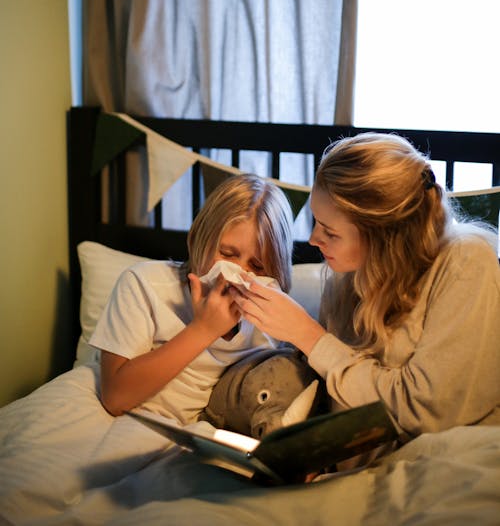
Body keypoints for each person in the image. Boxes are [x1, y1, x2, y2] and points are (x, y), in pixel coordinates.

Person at [231, 132, 500, 439]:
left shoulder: (466, 261)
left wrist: (308, 336)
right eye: (316, 221)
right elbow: (333, 397)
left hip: (452, 459)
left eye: (330, 233)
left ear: (385, 238)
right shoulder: (348, 275)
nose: (313, 240)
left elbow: (428, 411)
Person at [90, 173, 293, 420]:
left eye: (258, 266)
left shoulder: (271, 321)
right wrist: (203, 330)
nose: (239, 273)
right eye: (227, 254)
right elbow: (115, 398)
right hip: (130, 418)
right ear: (199, 238)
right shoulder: (144, 285)